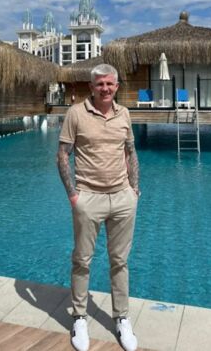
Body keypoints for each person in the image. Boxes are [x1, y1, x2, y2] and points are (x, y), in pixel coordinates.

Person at [57, 63, 140, 351]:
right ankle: (79, 316)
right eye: (100, 84)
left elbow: (130, 152)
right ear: (91, 87)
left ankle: (122, 317)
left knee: (120, 261)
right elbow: (62, 155)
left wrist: (134, 190)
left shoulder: (124, 113)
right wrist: (73, 196)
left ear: (117, 86)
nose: (105, 88)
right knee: (82, 260)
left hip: (122, 198)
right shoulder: (76, 113)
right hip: (88, 197)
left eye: (110, 84)